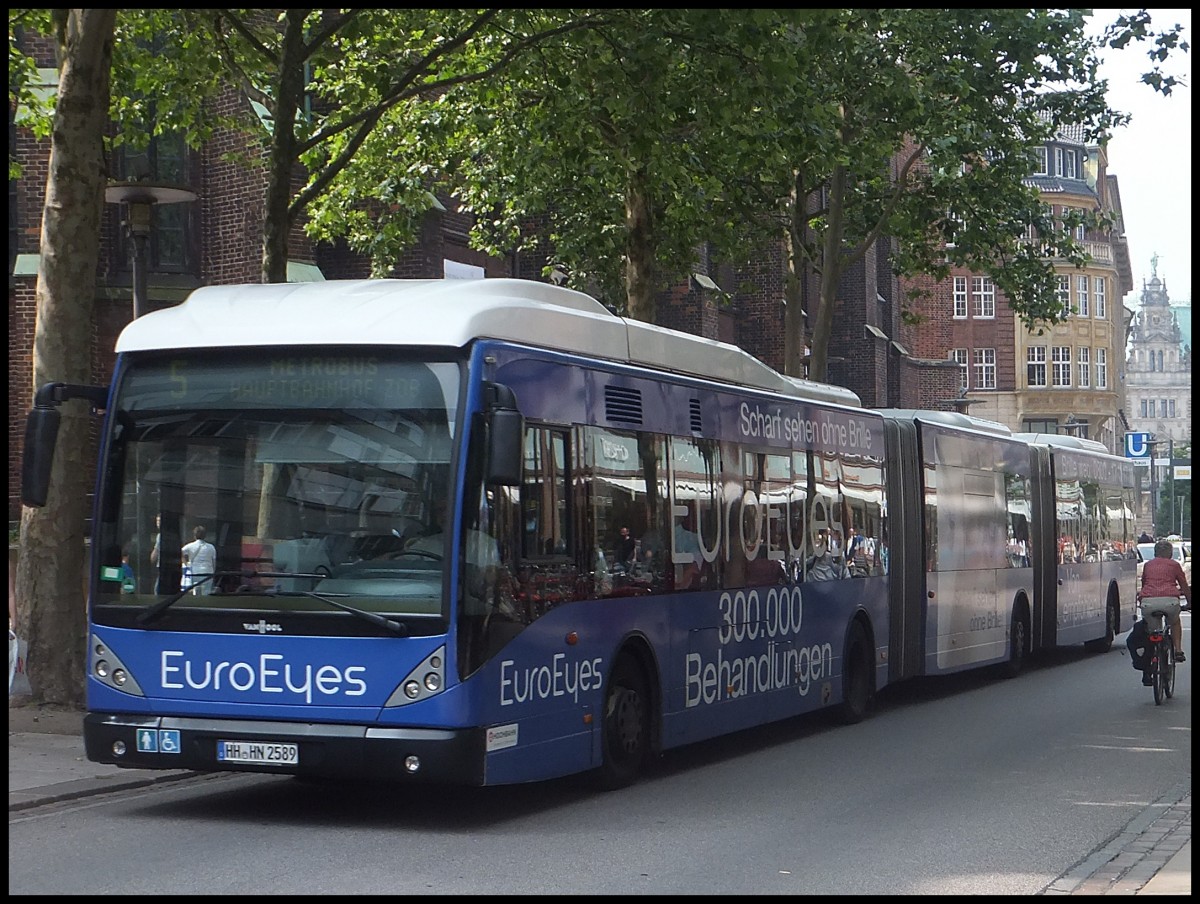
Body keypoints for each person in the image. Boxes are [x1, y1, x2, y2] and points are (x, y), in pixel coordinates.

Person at [1139, 537, 1190, 663]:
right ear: (1170, 553)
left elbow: (1144, 583)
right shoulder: (1174, 565)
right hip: (1170, 601)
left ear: (1155, 553)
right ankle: (1178, 650)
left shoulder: (1148, 565)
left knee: (1153, 631)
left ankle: (1152, 654)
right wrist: (1189, 602)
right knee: (1175, 622)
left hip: (1148, 602)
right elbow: (1184, 585)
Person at [181, 525, 217, 595]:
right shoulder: (211, 547)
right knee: (206, 592)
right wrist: (213, 572)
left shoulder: (190, 546)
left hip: (195, 572)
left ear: (194, 535)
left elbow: (180, 552)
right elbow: (214, 562)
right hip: (208, 572)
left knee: (196, 591)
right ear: (205, 536)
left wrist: (186, 563)